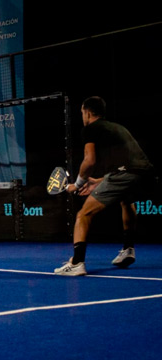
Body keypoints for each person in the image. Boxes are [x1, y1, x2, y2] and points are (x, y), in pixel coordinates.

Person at [54, 96, 155, 276]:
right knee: (126, 201)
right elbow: (129, 163)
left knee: (83, 214)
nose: (82, 117)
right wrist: (98, 181)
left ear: (87, 112)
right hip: (145, 173)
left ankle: (77, 263)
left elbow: (89, 160)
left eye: (82, 113)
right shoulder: (118, 128)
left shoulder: (90, 129)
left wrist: (77, 184)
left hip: (123, 174)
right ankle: (128, 249)